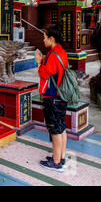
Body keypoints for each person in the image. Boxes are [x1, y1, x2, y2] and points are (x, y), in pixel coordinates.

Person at [35, 24, 68, 172]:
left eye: (44, 37)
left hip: (52, 97)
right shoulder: (61, 52)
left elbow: (43, 74)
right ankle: (60, 157)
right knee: (61, 128)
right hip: (61, 96)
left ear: (52, 38)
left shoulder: (53, 56)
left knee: (55, 129)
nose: (43, 40)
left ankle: (56, 163)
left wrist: (38, 62)